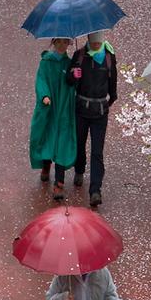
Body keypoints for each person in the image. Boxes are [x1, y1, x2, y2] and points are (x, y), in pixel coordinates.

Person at [67, 31, 117, 207]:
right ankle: (79, 170)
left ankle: (95, 190)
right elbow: (68, 80)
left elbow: (113, 85)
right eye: (94, 43)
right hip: (81, 109)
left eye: (99, 43)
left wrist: (108, 101)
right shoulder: (79, 56)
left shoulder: (109, 57)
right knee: (80, 144)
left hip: (100, 113)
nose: (97, 45)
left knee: (97, 151)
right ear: (88, 40)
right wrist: (73, 75)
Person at [30, 37, 77, 202]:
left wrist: (75, 77)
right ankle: (46, 164)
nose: (62, 45)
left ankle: (59, 183)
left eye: (65, 42)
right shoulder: (46, 62)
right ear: (54, 43)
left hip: (64, 109)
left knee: (62, 142)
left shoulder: (70, 63)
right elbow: (41, 80)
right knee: (47, 137)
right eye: (59, 42)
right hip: (49, 108)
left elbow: (72, 85)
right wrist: (44, 95)